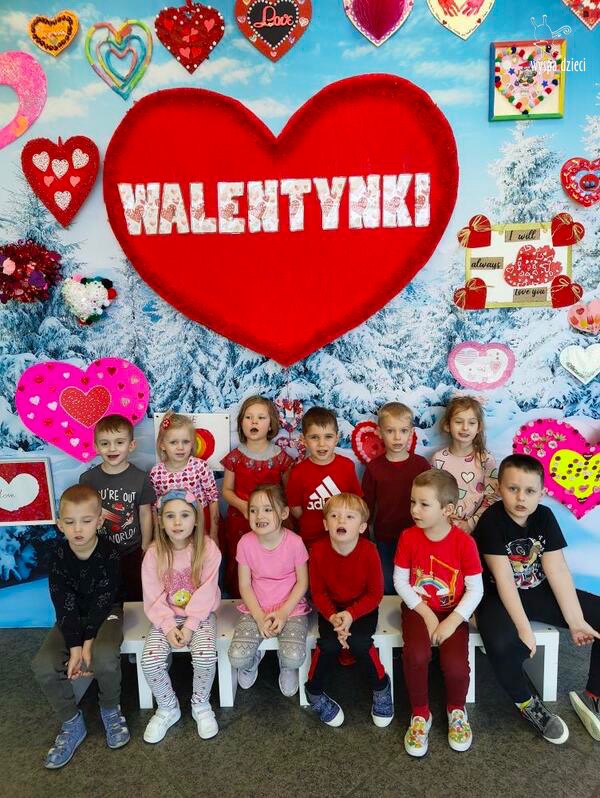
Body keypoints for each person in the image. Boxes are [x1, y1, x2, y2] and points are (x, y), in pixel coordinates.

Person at [474, 453, 600, 744]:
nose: (521, 497)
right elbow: (504, 579)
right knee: (502, 644)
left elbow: (556, 569)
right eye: (513, 488)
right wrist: (524, 630)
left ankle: (593, 694)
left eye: (530, 491)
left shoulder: (544, 516)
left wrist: (576, 620)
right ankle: (527, 703)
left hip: (537, 590)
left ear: (541, 493)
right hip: (496, 595)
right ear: (499, 488)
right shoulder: (492, 520)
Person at [32, 484, 129, 769]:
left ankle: (110, 709)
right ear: (59, 524)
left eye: (86, 521)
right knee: (43, 664)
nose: (78, 529)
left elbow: (103, 600)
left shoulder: (110, 553)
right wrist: (75, 646)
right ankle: (71, 722)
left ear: (99, 521)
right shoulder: (58, 556)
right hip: (71, 617)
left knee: (103, 655)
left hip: (107, 612)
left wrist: (87, 645)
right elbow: (63, 603)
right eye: (70, 522)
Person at [394, 469, 483, 756]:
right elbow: (400, 582)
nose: (414, 510)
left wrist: (453, 621)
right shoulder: (408, 537)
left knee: (456, 666)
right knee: (416, 656)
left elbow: (476, 590)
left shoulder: (464, 543)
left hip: (453, 613)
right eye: (412, 502)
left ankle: (456, 709)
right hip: (418, 610)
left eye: (424, 504)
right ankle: (420, 713)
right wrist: (427, 614)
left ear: (447, 510)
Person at [304, 493, 393, 728]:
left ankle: (381, 687)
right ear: (326, 524)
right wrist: (334, 617)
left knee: (360, 643)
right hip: (331, 610)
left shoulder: (369, 551)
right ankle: (313, 691)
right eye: (334, 516)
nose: (341, 520)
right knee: (329, 645)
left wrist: (351, 615)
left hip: (362, 608)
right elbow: (318, 593)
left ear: (362, 527)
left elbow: (375, 594)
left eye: (349, 517)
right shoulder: (318, 551)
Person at [141, 489, 221, 743]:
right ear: (161, 521)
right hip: (165, 617)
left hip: (200, 616)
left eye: (185, 515)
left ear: (196, 519)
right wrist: (167, 627)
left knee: (206, 657)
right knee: (150, 662)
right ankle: (168, 707)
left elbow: (208, 591)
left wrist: (190, 626)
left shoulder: (208, 549)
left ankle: (201, 704)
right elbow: (152, 594)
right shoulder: (154, 553)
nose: (177, 522)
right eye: (170, 516)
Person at [228, 484, 310, 697]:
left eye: (267, 509)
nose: (259, 516)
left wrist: (283, 613)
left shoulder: (295, 543)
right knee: (237, 657)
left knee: (294, 657)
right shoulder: (245, 543)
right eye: (253, 510)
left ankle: (287, 665)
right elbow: (245, 585)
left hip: (291, 609)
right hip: (256, 608)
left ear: (283, 513)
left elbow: (302, 583)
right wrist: (258, 616)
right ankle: (253, 658)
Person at [221, 396, 293, 596]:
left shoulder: (282, 458)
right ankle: (240, 597)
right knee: (242, 559)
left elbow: (288, 493)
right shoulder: (235, 457)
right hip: (241, 520)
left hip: (272, 522)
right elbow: (226, 490)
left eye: (261, 417)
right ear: (241, 423)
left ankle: (271, 596)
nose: (254, 421)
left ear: (271, 424)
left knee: (270, 559)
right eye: (248, 417)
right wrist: (243, 506)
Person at [79, 414, 155, 601]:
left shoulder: (140, 478)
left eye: (119, 442)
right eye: (105, 443)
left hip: (132, 549)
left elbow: (145, 513)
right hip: (100, 550)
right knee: (106, 594)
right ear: (96, 447)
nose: (112, 448)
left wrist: (146, 544)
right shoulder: (88, 479)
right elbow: (85, 514)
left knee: (136, 593)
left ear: (131, 445)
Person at [362, 402, 429, 594]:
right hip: (386, 540)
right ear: (380, 432)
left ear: (411, 432)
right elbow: (366, 508)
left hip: (418, 538)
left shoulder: (421, 466)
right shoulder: (374, 468)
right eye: (390, 431)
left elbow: (431, 501)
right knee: (388, 587)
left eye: (403, 431)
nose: (397, 437)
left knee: (417, 586)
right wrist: (365, 538)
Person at [287, 407, 361, 550]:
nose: (322, 444)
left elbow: (356, 502)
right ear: (304, 440)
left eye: (328, 437)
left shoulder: (347, 466)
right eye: (314, 437)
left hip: (343, 539)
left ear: (336, 438)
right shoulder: (298, 473)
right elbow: (296, 509)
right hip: (311, 540)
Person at [150, 411, 219, 545]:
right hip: (172, 526)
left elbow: (213, 499)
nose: (180, 447)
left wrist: (214, 533)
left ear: (192, 443)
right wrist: (158, 536)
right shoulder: (156, 473)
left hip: (201, 522)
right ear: (162, 445)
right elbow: (156, 507)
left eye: (185, 442)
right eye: (173, 442)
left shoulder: (200, 467)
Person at [432, 395, 499, 532]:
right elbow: (433, 495)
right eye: (458, 422)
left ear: (479, 427)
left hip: (478, 529)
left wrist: (471, 524)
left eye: (471, 423)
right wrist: (445, 517)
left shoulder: (486, 459)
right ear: (447, 425)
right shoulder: (438, 459)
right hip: (445, 527)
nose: (465, 428)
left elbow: (491, 497)